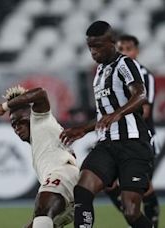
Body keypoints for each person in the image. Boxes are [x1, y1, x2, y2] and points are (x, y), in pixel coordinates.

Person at [59, 21, 154, 228]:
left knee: (131, 211)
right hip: (107, 145)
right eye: (90, 47)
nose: (94, 51)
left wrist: (118, 114)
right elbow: (104, 115)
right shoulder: (99, 73)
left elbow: (140, 94)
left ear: (112, 42)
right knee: (82, 189)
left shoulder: (125, 64)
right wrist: (82, 129)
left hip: (133, 143)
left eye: (98, 46)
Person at [0, 85, 79, 228]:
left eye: (21, 121)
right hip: (68, 189)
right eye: (14, 125)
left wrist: (4, 107)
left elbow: (41, 93)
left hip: (63, 175)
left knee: (42, 210)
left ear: (31, 113)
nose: (17, 127)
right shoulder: (39, 143)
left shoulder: (41, 118)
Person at [104, 34, 160, 228]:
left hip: (141, 138)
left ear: (137, 51)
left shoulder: (145, 75)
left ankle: (151, 221)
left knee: (141, 189)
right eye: (121, 48)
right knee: (109, 183)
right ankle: (136, 220)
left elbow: (145, 111)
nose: (125, 52)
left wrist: (115, 116)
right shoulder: (108, 73)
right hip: (116, 136)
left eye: (129, 48)